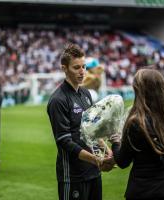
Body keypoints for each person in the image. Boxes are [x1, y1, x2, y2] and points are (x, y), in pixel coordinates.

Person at [47, 44, 111, 200]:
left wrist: (108, 151)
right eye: (76, 67)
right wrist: (96, 159)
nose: (82, 71)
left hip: (94, 172)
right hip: (73, 175)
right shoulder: (58, 100)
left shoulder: (86, 93)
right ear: (64, 68)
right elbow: (64, 141)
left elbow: (92, 129)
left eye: (84, 66)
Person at [108, 68, 164, 200]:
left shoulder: (136, 123)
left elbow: (122, 161)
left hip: (144, 191)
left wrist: (115, 141)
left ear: (140, 91)